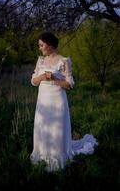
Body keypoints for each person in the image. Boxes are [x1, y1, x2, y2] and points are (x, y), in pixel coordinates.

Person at [30, 32, 97, 171]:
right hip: (42, 102)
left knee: (57, 129)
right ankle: (42, 155)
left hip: (57, 101)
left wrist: (53, 78)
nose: (40, 48)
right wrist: (43, 76)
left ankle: (58, 156)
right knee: (42, 126)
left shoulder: (64, 61)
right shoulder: (40, 61)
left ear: (49, 45)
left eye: (41, 45)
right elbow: (33, 81)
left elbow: (69, 84)